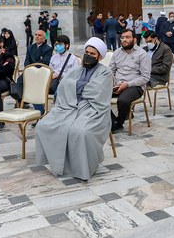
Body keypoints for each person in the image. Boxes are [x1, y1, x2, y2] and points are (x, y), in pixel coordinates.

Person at [35, 37, 113, 181]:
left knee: (80, 131)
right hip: (68, 105)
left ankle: (84, 168)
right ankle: (60, 164)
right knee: (43, 125)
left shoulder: (105, 72)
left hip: (92, 109)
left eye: (92, 54)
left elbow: (97, 92)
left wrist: (75, 85)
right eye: (86, 52)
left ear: (100, 57)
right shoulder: (76, 69)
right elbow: (63, 86)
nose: (88, 56)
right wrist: (84, 85)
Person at [110, 29, 151, 133]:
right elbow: (110, 71)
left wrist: (127, 85)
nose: (124, 40)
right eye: (122, 37)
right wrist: (111, 83)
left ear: (134, 39)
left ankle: (119, 123)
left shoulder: (143, 55)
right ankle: (112, 120)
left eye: (127, 37)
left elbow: (145, 77)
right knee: (97, 95)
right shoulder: (116, 53)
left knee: (122, 100)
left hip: (135, 86)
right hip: (117, 84)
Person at [33, 34, 81, 118]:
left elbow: (75, 75)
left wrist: (60, 76)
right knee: (35, 92)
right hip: (53, 82)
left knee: (58, 94)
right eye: (56, 44)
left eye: (60, 44)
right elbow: (49, 71)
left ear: (66, 45)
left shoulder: (73, 59)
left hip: (65, 83)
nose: (57, 46)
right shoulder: (53, 57)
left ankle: (59, 116)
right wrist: (52, 76)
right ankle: (42, 115)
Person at [17, 29, 53, 105]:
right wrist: (27, 69)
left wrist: (32, 69)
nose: (37, 37)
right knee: (20, 80)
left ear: (44, 38)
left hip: (40, 71)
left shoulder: (48, 49)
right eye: (36, 35)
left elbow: (45, 62)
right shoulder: (30, 47)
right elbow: (27, 60)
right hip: (29, 71)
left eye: (39, 35)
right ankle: (22, 101)